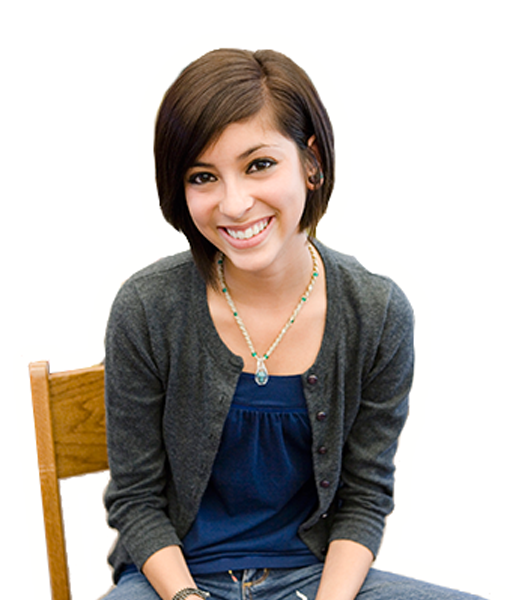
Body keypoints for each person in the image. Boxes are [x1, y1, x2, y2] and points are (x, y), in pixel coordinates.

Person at [102, 49, 486, 600]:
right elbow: (136, 500)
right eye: (203, 176)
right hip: (175, 581)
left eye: (259, 165)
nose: (234, 204)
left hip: (317, 577)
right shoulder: (147, 308)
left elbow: (364, 496)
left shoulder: (376, 314)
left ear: (310, 162)